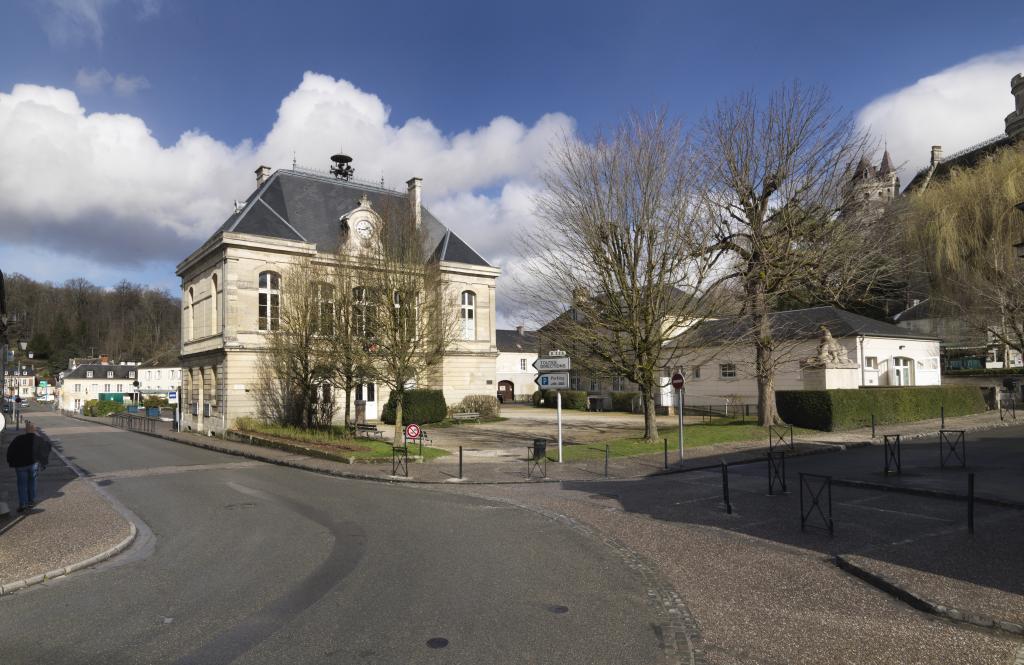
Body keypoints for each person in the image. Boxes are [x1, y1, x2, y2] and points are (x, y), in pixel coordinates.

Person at [6, 421, 41, 513]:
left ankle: (23, 504)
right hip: (33, 464)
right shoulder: (38, 439)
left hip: (20, 465)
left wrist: (10, 461)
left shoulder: (18, 439)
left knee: (22, 485)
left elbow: (10, 451)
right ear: (34, 431)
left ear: (25, 430)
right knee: (32, 483)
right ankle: (31, 502)